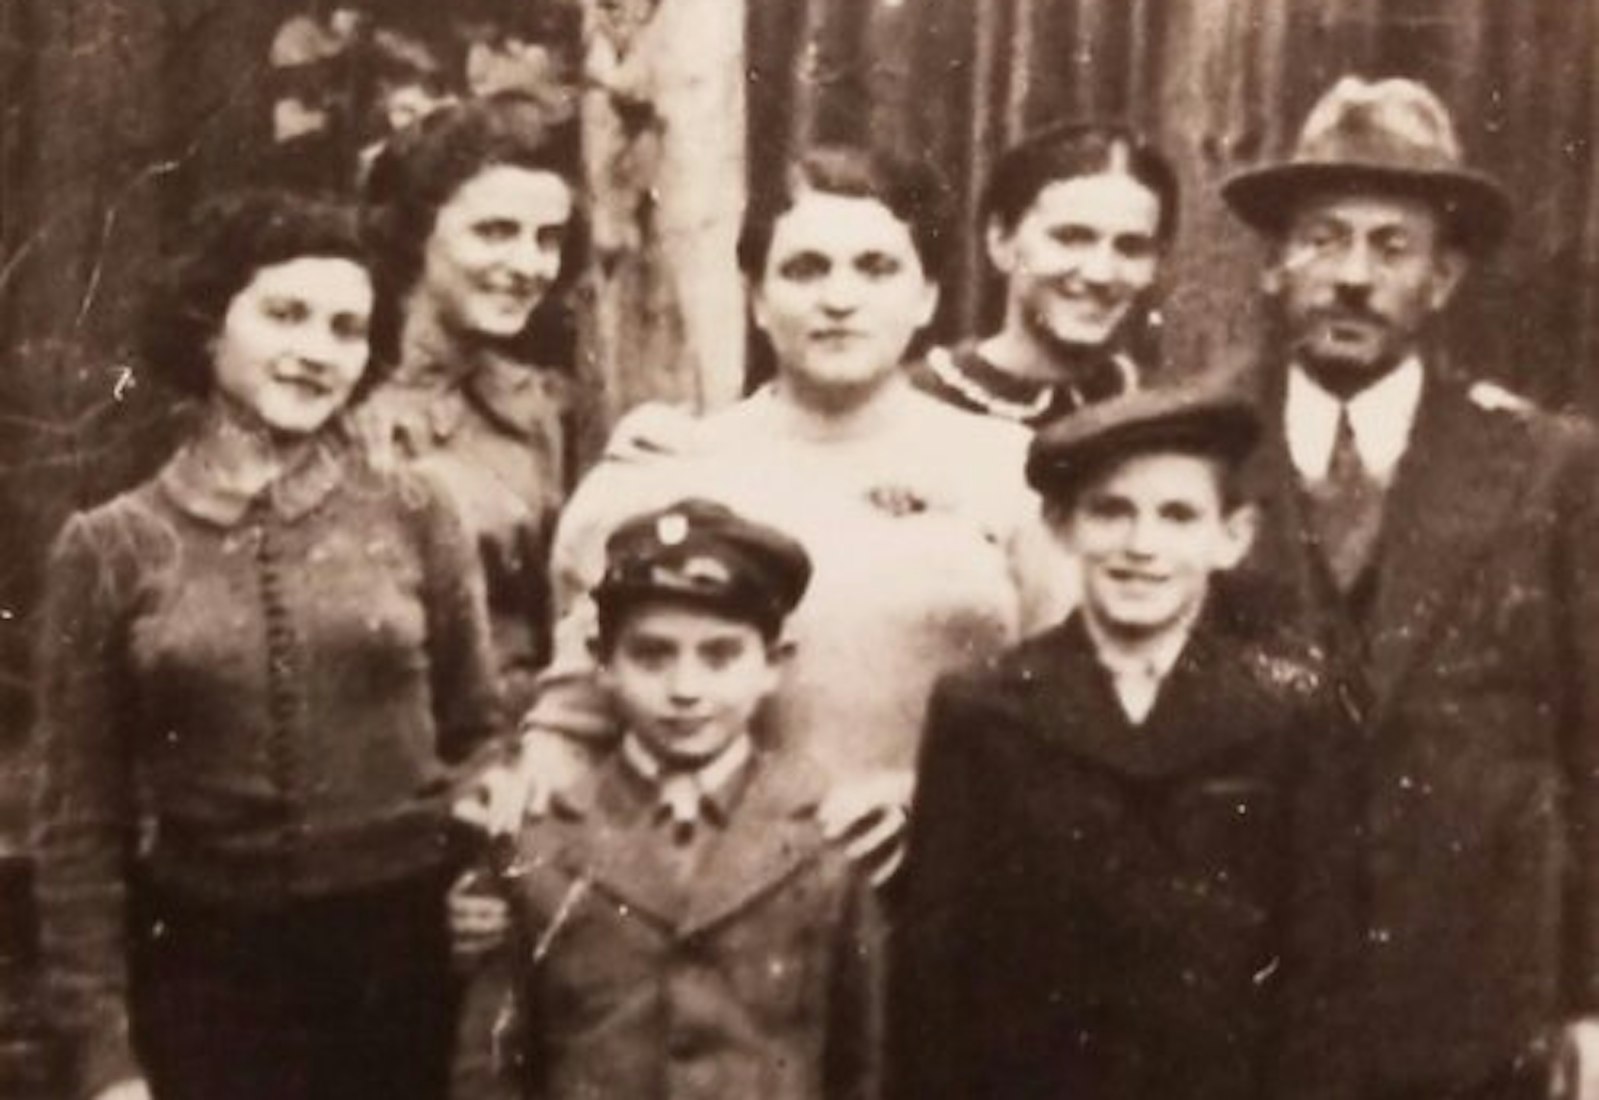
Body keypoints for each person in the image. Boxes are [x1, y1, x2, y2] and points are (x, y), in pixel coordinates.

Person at [467, 144, 1058, 871]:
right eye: (804, 269)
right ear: (754, 298)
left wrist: (927, 797)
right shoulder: (664, 471)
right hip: (718, 904)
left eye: (875, 269)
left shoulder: (1010, 470)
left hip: (953, 883)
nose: (838, 299)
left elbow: (1069, 708)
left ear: (927, 296)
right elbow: (572, 726)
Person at [31, 190, 502, 1100]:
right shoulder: (110, 546)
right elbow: (78, 826)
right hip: (206, 977)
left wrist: (483, 884)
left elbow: (481, 733)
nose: (317, 351)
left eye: (345, 328)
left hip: (401, 972)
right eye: (285, 315)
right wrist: (103, 1057)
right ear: (209, 324)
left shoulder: (415, 513)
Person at [1220, 75, 1599, 1100]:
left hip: (1469, 1008)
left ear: (1443, 277)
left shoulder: (1544, 466)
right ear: (1273, 263)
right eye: (1322, 238)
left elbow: (1588, 744)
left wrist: (1586, 999)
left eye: (1391, 247)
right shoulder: (1197, 451)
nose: (1351, 276)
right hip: (1236, 998)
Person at [888, 381, 1359, 1100]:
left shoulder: (1286, 714)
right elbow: (934, 970)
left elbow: (1318, 969)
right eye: (1110, 512)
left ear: (1231, 536)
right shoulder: (985, 710)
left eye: (1176, 516)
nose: (1141, 547)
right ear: (1060, 525)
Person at [456, 498, 882, 1100]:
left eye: (720, 656)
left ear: (773, 664)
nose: (686, 689)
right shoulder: (538, 838)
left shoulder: (827, 838)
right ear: (603, 663)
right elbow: (490, 1069)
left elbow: (864, 1063)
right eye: (652, 655)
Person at [360, 92, 582, 709]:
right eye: (495, 232)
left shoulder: (543, 412)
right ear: (416, 229)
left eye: (547, 239)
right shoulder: (329, 394)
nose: (527, 264)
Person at [909, 121, 1177, 426]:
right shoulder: (912, 405)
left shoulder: (1167, 413)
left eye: (1131, 247)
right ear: (1000, 241)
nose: (1100, 273)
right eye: (1071, 237)